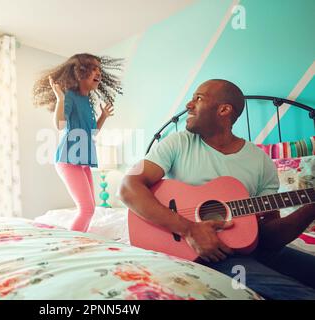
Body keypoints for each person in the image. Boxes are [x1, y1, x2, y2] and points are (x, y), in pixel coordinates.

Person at [119, 79, 315, 299]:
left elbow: (270, 238)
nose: (188, 105)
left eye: (198, 98)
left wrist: (310, 208)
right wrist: (189, 229)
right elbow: (128, 187)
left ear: (224, 109)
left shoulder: (261, 161)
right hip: (201, 253)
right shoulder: (178, 143)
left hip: (250, 248)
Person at [33, 53, 123, 232]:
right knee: (87, 209)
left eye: (99, 69)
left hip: (83, 161)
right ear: (80, 73)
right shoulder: (70, 96)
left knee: (90, 208)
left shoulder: (87, 100)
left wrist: (103, 116)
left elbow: (92, 133)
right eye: (93, 69)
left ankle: (83, 239)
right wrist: (60, 99)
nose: (98, 72)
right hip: (69, 159)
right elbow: (60, 125)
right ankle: (72, 243)